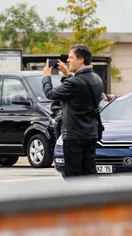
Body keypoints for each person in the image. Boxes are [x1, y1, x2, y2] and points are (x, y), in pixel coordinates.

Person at [42, 44, 103, 178]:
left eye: (70, 57)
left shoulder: (75, 83)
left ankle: (79, 199)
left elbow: (51, 94)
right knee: (89, 173)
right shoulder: (96, 78)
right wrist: (67, 74)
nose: (67, 61)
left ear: (81, 60)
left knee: (73, 175)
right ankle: (93, 198)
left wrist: (46, 77)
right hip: (91, 133)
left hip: (74, 135)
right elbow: (79, 89)